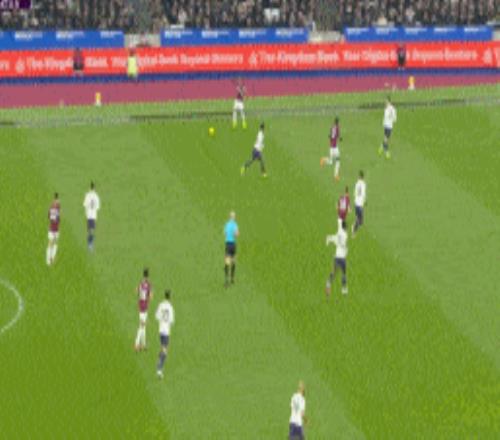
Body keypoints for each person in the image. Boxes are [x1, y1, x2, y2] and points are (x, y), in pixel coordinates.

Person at [325, 220, 348, 297]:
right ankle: (344, 290)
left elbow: (337, 239)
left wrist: (330, 239)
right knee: (343, 273)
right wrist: (345, 248)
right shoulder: (345, 234)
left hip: (336, 257)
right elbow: (341, 243)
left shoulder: (339, 233)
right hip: (342, 258)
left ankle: (328, 284)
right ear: (346, 228)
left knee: (334, 272)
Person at [155, 289, 175, 380]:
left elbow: (157, 316)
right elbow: (171, 321)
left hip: (160, 330)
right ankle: (159, 370)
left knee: (163, 348)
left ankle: (159, 362)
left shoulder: (161, 305)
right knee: (165, 351)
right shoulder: (170, 307)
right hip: (166, 331)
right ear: (170, 297)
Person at [135, 268, 153, 351]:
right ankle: (136, 344)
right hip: (145, 306)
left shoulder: (141, 283)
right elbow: (151, 296)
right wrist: (148, 298)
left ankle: (143, 344)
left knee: (143, 326)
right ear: (148, 275)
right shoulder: (149, 284)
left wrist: (140, 296)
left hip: (140, 305)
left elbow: (136, 291)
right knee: (142, 325)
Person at [320, 116, 342, 181]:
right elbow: (338, 136)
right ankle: (336, 176)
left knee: (331, 162)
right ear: (338, 122)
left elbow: (329, 135)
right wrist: (340, 139)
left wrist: (332, 138)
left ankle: (323, 159)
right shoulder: (337, 128)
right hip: (335, 148)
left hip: (331, 147)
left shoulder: (331, 127)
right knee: (338, 162)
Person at [83, 181, 101, 251]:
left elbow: (85, 205)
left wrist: (86, 213)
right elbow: (98, 207)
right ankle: (90, 244)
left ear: (90, 187)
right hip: (93, 215)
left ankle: (90, 243)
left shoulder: (87, 195)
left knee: (90, 230)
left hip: (88, 215)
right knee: (91, 230)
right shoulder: (96, 196)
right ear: (95, 188)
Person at [223, 211, 239, 287]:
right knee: (233, 261)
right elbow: (236, 234)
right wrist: (234, 235)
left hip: (228, 244)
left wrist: (228, 235)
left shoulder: (227, 224)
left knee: (227, 262)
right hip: (233, 245)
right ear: (234, 217)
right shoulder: (235, 225)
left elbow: (225, 233)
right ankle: (232, 278)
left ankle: (226, 280)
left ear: (229, 217)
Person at [46, 193, 61, 266]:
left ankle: (50, 259)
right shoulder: (57, 207)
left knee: (52, 243)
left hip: (52, 229)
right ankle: (50, 259)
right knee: (52, 243)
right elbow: (57, 219)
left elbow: (49, 217)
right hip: (54, 229)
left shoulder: (51, 207)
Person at [352, 171, 366, 237]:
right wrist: (364, 201)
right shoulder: (363, 184)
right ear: (363, 177)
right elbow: (363, 194)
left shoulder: (357, 183)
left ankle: (356, 226)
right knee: (359, 219)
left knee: (360, 220)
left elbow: (354, 193)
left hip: (356, 203)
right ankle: (354, 230)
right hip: (360, 204)